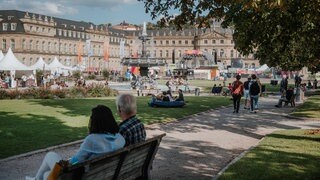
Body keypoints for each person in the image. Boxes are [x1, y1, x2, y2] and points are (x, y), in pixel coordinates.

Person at [26, 105, 125, 180]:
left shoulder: (92, 140)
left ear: (95, 122)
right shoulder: (120, 138)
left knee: (50, 156)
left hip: (85, 176)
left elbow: (74, 163)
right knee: (46, 174)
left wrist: (67, 161)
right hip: (106, 174)